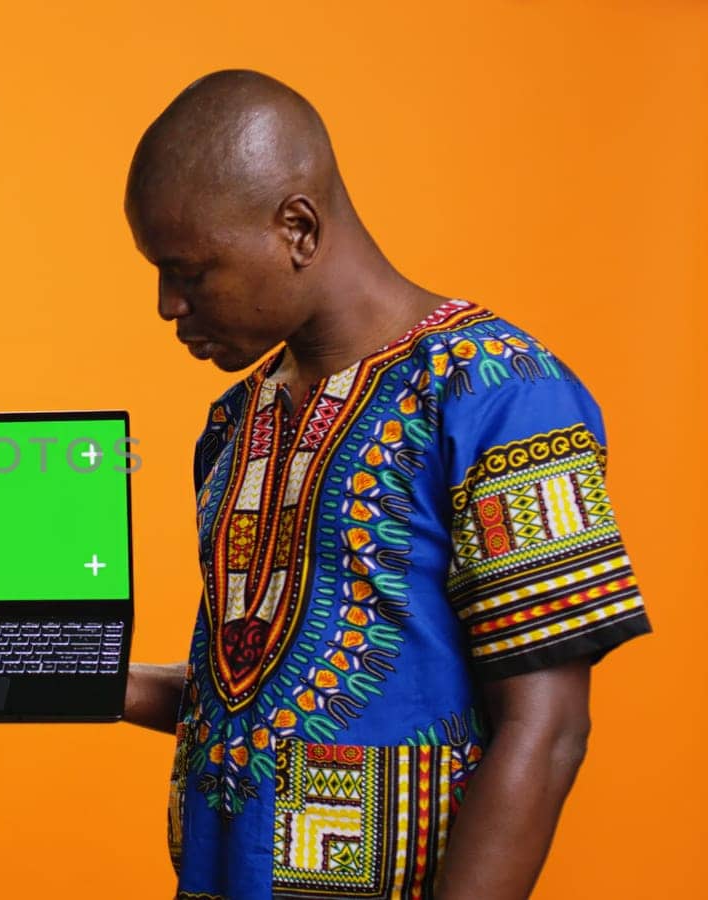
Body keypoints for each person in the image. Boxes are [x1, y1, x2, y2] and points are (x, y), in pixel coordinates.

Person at [120, 71, 650, 899]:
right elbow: (248, 701)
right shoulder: (234, 421)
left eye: (188, 270)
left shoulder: (502, 395)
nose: (166, 304)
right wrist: (23, 662)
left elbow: (546, 730)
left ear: (296, 227)